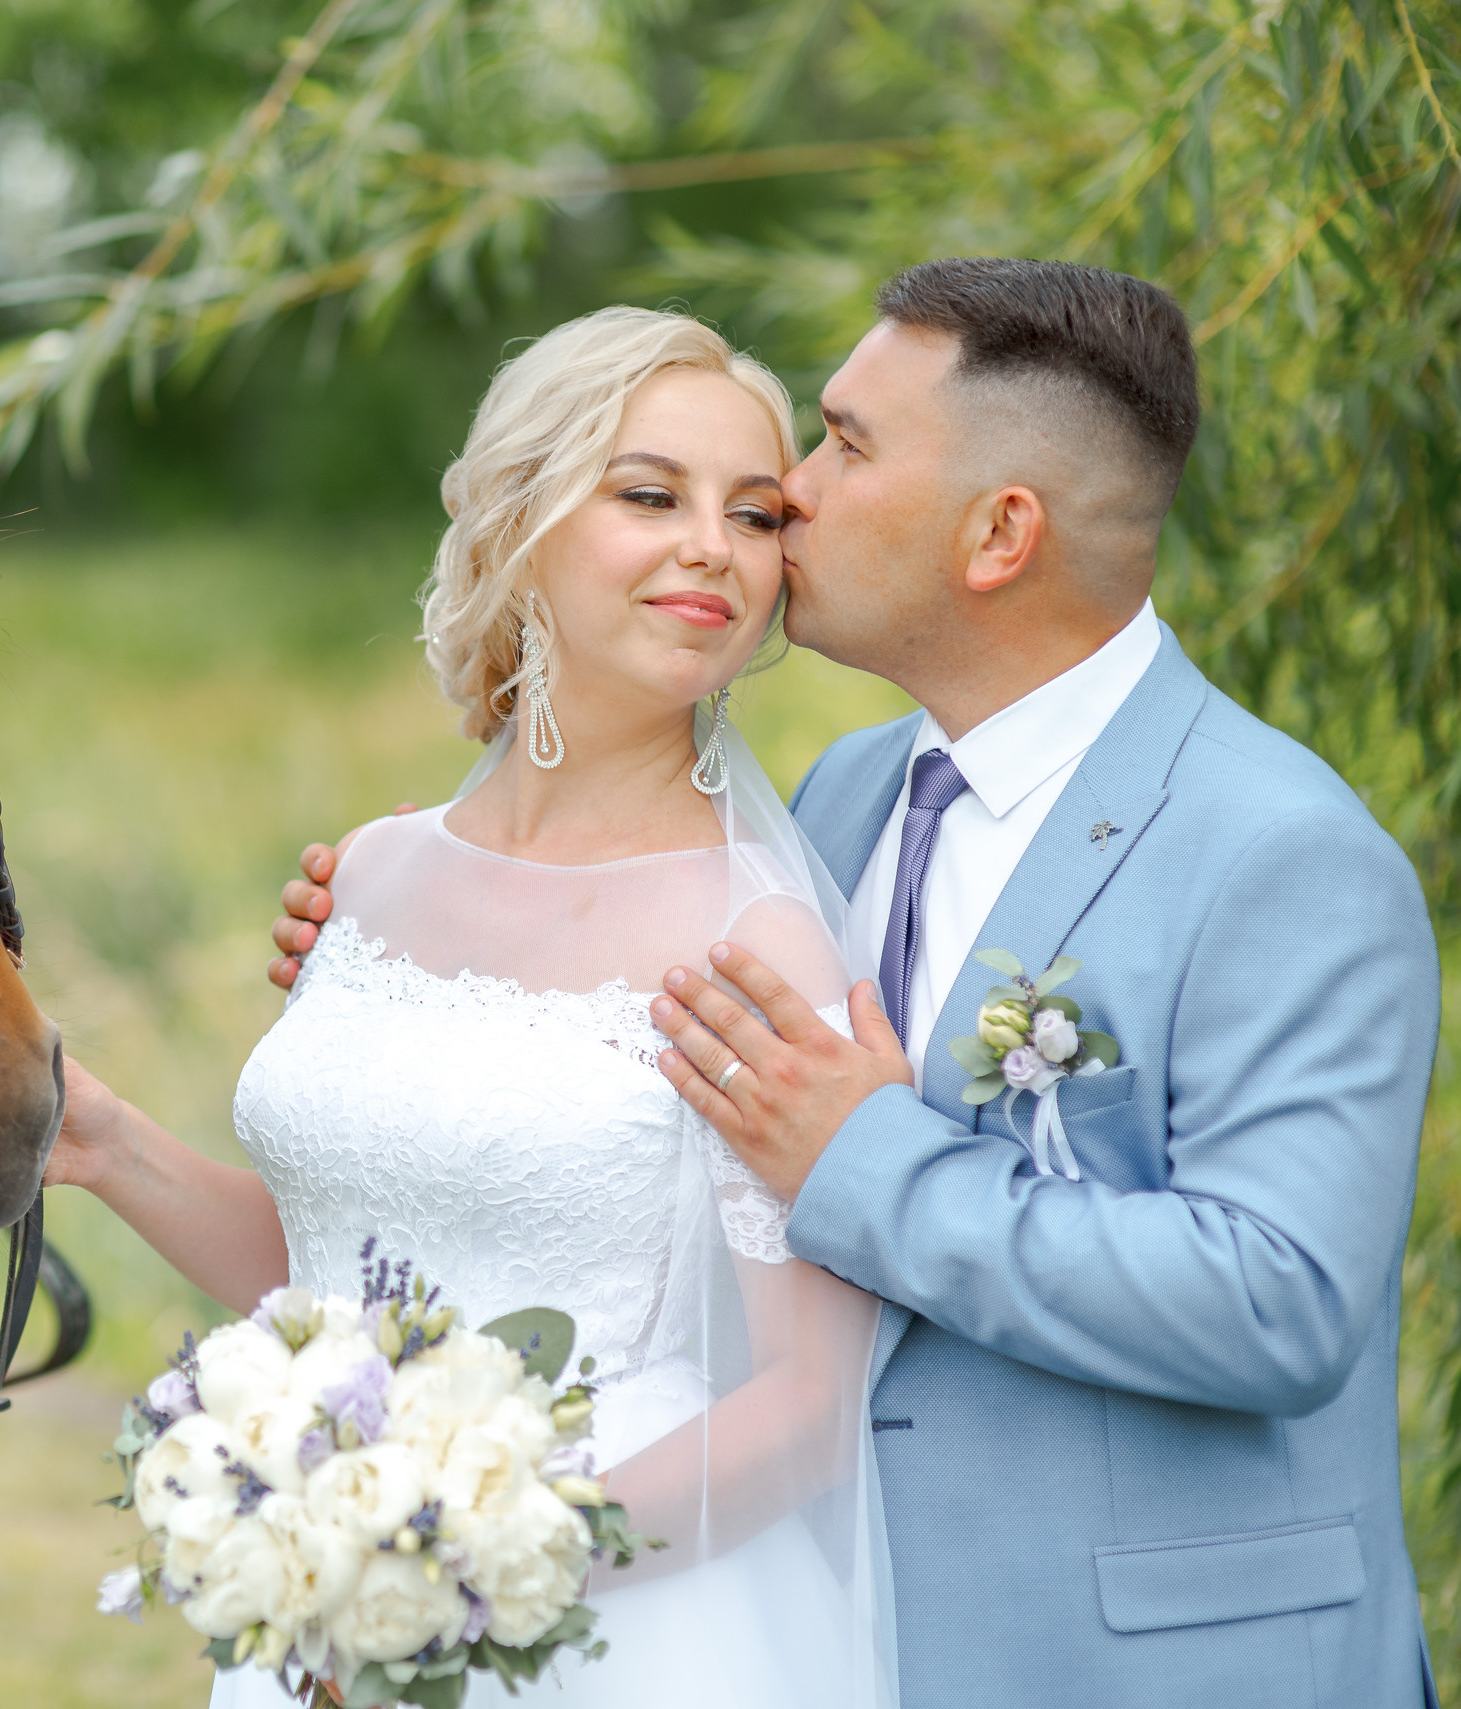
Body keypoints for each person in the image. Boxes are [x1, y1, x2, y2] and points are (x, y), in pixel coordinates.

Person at [273, 260, 1440, 1707]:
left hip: (1140, 1663)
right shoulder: (845, 796)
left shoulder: (1282, 853)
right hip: (806, 1632)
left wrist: (869, 1159)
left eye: (842, 444)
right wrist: (413, 997)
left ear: (1000, 531)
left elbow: (1285, 1302)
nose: (793, 494)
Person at [51, 308, 899, 1706]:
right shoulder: (374, 871)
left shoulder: (756, 939)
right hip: (332, 1613)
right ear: (516, 521)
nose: (713, 546)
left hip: (621, 1626)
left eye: (754, 514)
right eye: (649, 494)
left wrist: (464, 1572)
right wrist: (103, 1144)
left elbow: (806, 1407)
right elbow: (338, 1271)